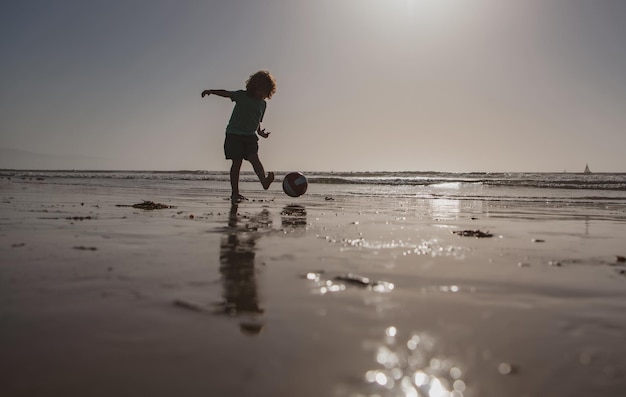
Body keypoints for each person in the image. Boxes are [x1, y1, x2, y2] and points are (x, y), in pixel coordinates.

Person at [202, 70, 277, 204]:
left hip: (250, 136)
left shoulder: (262, 104)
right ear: (253, 87)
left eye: (265, 92)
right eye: (259, 90)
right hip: (234, 134)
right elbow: (226, 93)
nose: (261, 94)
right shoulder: (241, 96)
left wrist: (260, 132)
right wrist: (211, 91)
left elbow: (257, 120)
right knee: (237, 162)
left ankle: (264, 181)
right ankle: (235, 193)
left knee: (255, 159)